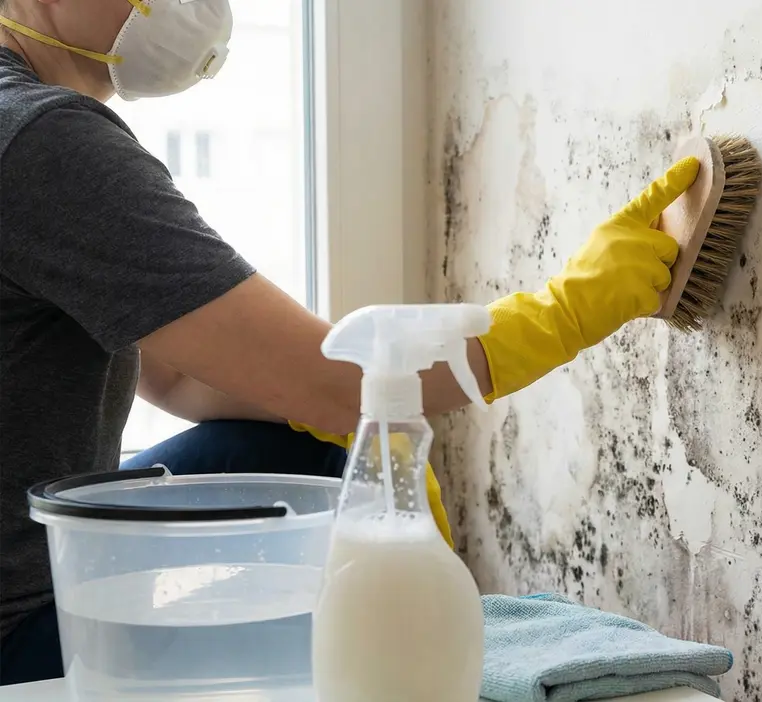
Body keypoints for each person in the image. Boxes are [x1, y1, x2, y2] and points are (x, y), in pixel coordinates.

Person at [0, 0, 699, 685]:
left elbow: (180, 380)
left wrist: (341, 426)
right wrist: (569, 310)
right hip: (18, 634)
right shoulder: (44, 142)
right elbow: (334, 383)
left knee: (298, 456)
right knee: (344, 554)